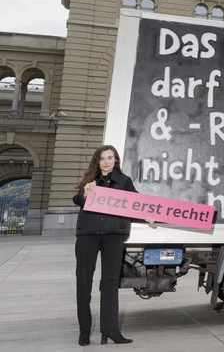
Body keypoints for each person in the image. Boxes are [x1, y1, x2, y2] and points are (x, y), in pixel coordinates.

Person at [73, 145, 138, 346]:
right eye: (102, 158)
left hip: (113, 237)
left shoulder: (124, 181)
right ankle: (84, 330)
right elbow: (77, 200)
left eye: (110, 158)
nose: (106, 161)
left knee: (110, 283)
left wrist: (149, 216)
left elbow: (137, 204)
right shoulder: (90, 180)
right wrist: (85, 192)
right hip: (88, 236)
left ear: (116, 160)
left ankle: (111, 330)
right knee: (84, 283)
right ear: (97, 161)